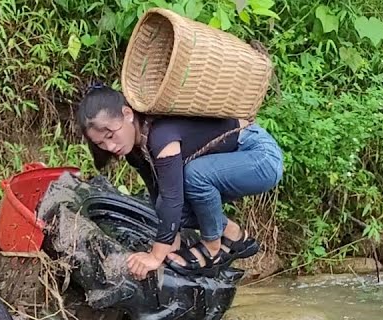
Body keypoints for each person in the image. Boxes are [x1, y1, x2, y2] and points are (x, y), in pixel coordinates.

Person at [76, 82, 283, 278]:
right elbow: (159, 192)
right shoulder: (134, 149)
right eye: (101, 143)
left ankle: (212, 247)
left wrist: (155, 257)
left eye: (111, 135)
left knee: (194, 176)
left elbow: (172, 198)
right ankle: (233, 234)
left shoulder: (161, 135)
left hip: (260, 156)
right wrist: (169, 245)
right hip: (231, 163)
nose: (110, 147)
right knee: (169, 202)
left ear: (127, 114)